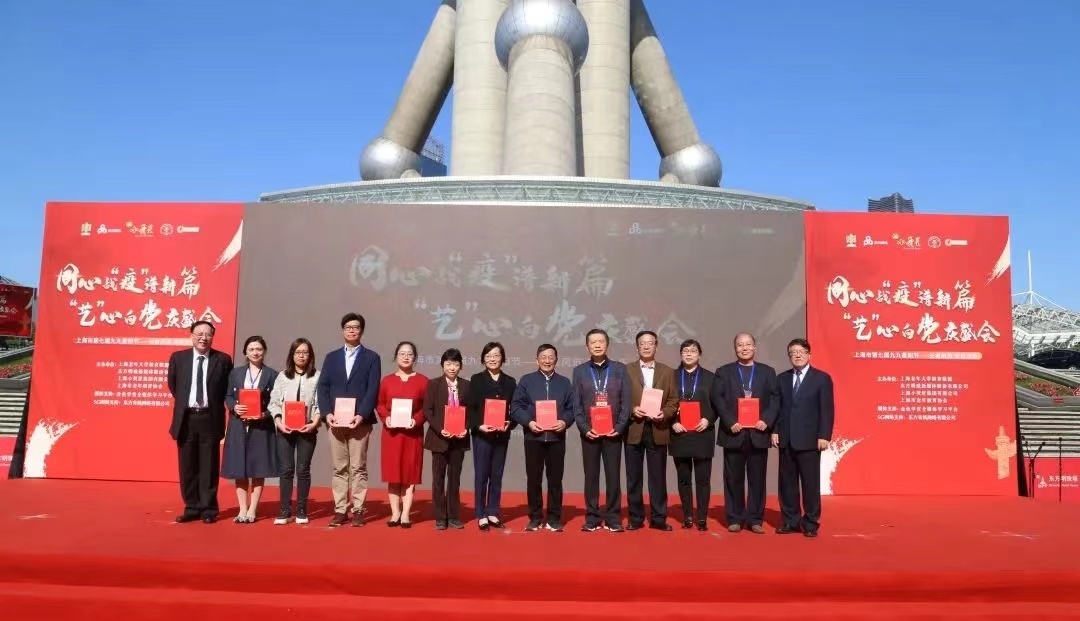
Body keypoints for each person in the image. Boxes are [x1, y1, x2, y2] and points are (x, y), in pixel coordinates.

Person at [316, 312, 381, 527]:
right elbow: (323, 387)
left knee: (358, 467)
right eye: (348, 327)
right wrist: (327, 413)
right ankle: (340, 509)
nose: (352, 330)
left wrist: (361, 414)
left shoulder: (372, 357)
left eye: (356, 327)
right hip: (335, 421)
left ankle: (359, 510)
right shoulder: (331, 357)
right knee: (339, 468)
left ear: (362, 330)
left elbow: (372, 389)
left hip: (359, 421)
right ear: (343, 330)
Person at [166, 320, 233, 524]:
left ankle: (209, 509)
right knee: (187, 466)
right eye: (199, 334)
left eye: (208, 334)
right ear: (191, 335)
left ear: (213, 337)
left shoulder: (222, 359)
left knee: (209, 466)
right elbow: (174, 386)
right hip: (186, 418)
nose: (203, 338)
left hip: (209, 418)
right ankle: (192, 507)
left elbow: (226, 388)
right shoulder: (179, 358)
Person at [713, 332, 779, 534]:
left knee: (757, 480)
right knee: (733, 479)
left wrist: (766, 420)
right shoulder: (723, 372)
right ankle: (734, 518)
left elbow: (775, 399)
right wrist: (730, 421)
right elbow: (717, 398)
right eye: (740, 345)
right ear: (735, 348)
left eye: (748, 344)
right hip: (734, 433)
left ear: (755, 347)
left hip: (758, 433)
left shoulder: (768, 372)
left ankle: (755, 519)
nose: (744, 348)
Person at [510, 343, 575, 532]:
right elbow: (516, 407)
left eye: (551, 357)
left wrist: (564, 422)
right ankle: (535, 517)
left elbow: (572, 408)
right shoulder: (527, 381)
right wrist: (529, 422)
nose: (547, 360)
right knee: (534, 480)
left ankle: (554, 518)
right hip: (533, 437)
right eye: (543, 357)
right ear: (536, 360)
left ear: (556, 360)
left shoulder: (564, 383)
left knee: (555, 480)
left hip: (556, 438)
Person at [773, 338, 834, 538]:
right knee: (787, 484)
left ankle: (810, 523)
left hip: (810, 440)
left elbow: (827, 410)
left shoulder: (821, 378)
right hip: (786, 439)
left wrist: (824, 435)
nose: (797, 355)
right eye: (793, 352)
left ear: (809, 354)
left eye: (801, 351)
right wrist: (774, 430)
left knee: (810, 484)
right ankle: (790, 521)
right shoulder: (782, 379)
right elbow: (777, 409)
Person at [571, 328, 631, 532]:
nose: (597, 345)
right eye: (593, 342)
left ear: (607, 344)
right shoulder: (579, 371)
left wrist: (619, 427)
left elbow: (626, 402)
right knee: (591, 476)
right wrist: (585, 428)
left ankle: (613, 517)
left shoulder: (619, 369)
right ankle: (592, 517)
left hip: (613, 432)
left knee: (613, 476)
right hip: (590, 433)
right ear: (587, 346)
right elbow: (576, 405)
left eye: (601, 341)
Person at [624, 330, 679, 531]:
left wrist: (665, 413)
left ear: (656, 346)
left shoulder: (668, 371)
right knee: (634, 478)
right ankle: (635, 518)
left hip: (658, 428)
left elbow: (674, 400)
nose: (646, 346)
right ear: (637, 347)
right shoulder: (626, 370)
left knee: (658, 477)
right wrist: (632, 410)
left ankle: (658, 518)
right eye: (642, 343)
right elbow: (620, 397)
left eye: (650, 343)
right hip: (634, 428)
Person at [222, 335, 279, 523]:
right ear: (245, 352)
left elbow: (276, 401)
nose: (255, 352)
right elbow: (228, 395)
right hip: (239, 425)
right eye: (251, 349)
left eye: (259, 349)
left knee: (258, 469)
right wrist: (234, 407)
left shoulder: (272, 375)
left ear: (264, 352)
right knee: (239, 468)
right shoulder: (235, 373)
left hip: (261, 427)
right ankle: (242, 509)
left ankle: (253, 509)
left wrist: (264, 414)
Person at [268, 338, 322, 525]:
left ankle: (301, 510)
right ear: (292, 355)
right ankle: (284, 511)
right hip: (285, 429)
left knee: (303, 470)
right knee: (286, 470)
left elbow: (320, 403)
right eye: (298, 352)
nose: (301, 356)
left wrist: (314, 423)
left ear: (310, 355)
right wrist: (278, 421)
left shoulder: (317, 376)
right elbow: (274, 402)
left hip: (308, 428)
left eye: (305, 352)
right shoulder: (283, 376)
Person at [375, 341, 428, 529]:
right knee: (393, 474)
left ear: (415, 358)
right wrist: (386, 417)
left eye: (410, 354)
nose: (406, 357)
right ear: (396, 356)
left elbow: (427, 407)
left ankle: (406, 514)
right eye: (402, 353)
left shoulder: (423, 381)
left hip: (412, 435)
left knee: (409, 474)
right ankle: (395, 513)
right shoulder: (387, 381)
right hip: (392, 434)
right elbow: (380, 403)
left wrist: (417, 420)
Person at [467, 342, 517, 531]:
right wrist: (479, 425)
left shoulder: (510, 381)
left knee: (497, 474)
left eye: (496, 355)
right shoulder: (477, 379)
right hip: (482, 435)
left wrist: (510, 423)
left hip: (501, 435)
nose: (492, 359)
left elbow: (515, 407)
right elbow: (470, 408)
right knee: (481, 475)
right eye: (488, 356)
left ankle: (493, 511)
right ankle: (481, 513)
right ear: (483, 359)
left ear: (502, 358)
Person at [668, 339, 716, 531]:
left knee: (703, 479)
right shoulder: (671, 376)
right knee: (684, 478)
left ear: (699, 354)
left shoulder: (710, 377)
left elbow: (718, 404)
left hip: (702, 432)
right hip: (679, 433)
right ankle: (687, 515)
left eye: (693, 350)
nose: (689, 354)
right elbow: (665, 403)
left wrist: (708, 419)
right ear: (681, 354)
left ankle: (702, 517)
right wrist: (672, 422)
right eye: (685, 351)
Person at [423, 348, 471, 530]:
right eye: (448, 364)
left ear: (461, 366)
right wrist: (440, 429)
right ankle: (440, 517)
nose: (452, 368)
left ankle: (454, 516)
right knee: (438, 479)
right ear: (442, 365)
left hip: (459, 439)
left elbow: (472, 411)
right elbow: (428, 410)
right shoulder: (434, 384)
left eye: (456, 364)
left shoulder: (466, 385)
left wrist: (466, 427)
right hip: (439, 438)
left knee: (454, 479)